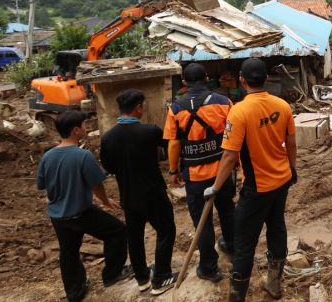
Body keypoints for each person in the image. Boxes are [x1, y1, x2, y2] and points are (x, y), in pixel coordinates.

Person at [206, 58, 297, 301]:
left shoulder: (239, 111)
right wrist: (293, 168)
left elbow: (229, 156)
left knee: (244, 242)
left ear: (242, 81)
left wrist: (215, 186)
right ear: (266, 79)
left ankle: (237, 297)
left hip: (257, 187)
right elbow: (291, 142)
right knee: (277, 227)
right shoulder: (282, 105)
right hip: (282, 179)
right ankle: (274, 285)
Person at [36, 110, 132, 302]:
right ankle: (112, 274)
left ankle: (75, 291)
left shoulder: (48, 156)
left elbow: (41, 185)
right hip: (80, 212)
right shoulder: (83, 156)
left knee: (68, 251)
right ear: (76, 131)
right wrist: (105, 201)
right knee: (118, 231)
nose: (87, 128)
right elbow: (96, 184)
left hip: (57, 215)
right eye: (85, 125)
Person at [100, 89, 178, 295]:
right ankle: (161, 277)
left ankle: (142, 278)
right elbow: (171, 146)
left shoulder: (108, 137)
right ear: (138, 108)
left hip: (128, 195)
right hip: (153, 193)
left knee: (135, 236)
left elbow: (108, 166)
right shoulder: (149, 131)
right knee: (166, 231)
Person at [163, 62, 234, 282]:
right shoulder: (224, 102)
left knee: (201, 223)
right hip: (222, 172)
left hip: (195, 176)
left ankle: (209, 268)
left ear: (184, 82)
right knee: (227, 211)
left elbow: (174, 144)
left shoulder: (175, 108)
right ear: (206, 79)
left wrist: (173, 170)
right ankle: (232, 246)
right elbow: (234, 135)